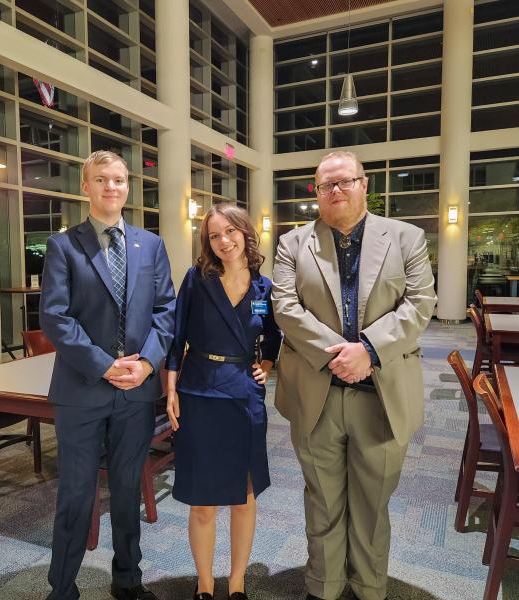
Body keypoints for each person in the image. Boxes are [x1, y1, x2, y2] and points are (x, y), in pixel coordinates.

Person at [272, 150, 436, 600]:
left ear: (364, 184)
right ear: (316, 192)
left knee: (371, 506)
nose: (336, 191)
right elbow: (285, 308)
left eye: (345, 181)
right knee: (322, 501)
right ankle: (322, 588)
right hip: (316, 394)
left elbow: (421, 303)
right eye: (326, 185)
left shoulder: (406, 238)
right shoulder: (293, 243)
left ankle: (369, 588)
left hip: (380, 396)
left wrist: (368, 350)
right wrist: (337, 356)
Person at [40, 150, 175, 600]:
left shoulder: (150, 245)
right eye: (102, 180)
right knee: (76, 496)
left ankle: (128, 579)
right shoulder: (64, 245)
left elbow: (165, 312)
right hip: (81, 389)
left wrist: (146, 364)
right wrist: (105, 364)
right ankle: (62, 588)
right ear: (86, 187)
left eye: (119, 179)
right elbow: (56, 318)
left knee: (126, 492)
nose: (111, 187)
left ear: (128, 187)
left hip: (136, 391)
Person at [165, 204, 281, 600]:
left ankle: (236, 584)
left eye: (230, 231)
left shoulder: (264, 287)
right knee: (203, 501)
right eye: (214, 236)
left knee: (243, 497)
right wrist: (170, 391)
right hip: (197, 391)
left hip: (244, 396)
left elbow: (273, 337)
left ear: (245, 233)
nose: (223, 241)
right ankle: (204, 584)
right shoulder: (197, 280)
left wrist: (265, 365)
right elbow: (175, 338)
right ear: (207, 243)